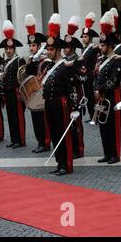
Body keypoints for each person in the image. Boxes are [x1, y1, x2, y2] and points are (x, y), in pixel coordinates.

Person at [41, 14, 80, 176]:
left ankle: (67, 164)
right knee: (55, 133)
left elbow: (73, 89)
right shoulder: (49, 66)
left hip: (62, 104)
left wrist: (74, 108)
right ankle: (59, 162)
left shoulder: (66, 66)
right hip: (50, 103)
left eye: (51, 49)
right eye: (48, 49)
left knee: (64, 135)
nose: (48, 52)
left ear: (57, 50)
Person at [94, 11, 121, 165]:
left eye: (103, 45)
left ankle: (115, 154)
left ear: (110, 46)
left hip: (111, 95)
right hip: (101, 96)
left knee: (112, 126)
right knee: (102, 124)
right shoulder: (101, 60)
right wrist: (96, 89)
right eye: (100, 44)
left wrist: (100, 89)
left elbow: (114, 80)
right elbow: (96, 76)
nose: (100, 48)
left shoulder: (117, 60)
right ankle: (107, 153)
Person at [24, 14, 51, 154]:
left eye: (34, 45)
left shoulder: (45, 60)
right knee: (35, 120)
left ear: (40, 46)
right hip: (33, 94)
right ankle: (40, 141)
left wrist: (36, 58)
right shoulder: (32, 60)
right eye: (30, 45)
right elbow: (28, 73)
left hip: (42, 95)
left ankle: (46, 142)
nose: (32, 48)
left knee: (43, 120)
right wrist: (32, 60)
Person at [0, 20, 26, 149]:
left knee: (18, 117)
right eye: (7, 49)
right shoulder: (4, 62)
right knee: (10, 116)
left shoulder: (19, 60)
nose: (8, 51)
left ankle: (20, 140)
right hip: (7, 92)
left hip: (16, 92)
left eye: (10, 49)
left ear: (14, 49)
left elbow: (22, 77)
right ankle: (13, 138)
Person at [62, 16, 85, 159]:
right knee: (67, 123)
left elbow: (83, 77)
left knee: (76, 124)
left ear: (73, 48)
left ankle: (79, 149)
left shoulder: (79, 60)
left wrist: (73, 70)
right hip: (65, 94)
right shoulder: (63, 61)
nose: (65, 49)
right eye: (64, 47)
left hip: (76, 94)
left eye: (67, 47)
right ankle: (72, 147)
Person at [80, 12, 100, 121]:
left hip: (92, 76)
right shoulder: (84, 49)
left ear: (90, 38)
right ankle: (92, 115)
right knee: (87, 96)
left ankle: (96, 116)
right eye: (83, 36)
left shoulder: (94, 48)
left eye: (86, 36)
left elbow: (96, 62)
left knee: (93, 97)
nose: (84, 38)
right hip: (85, 77)